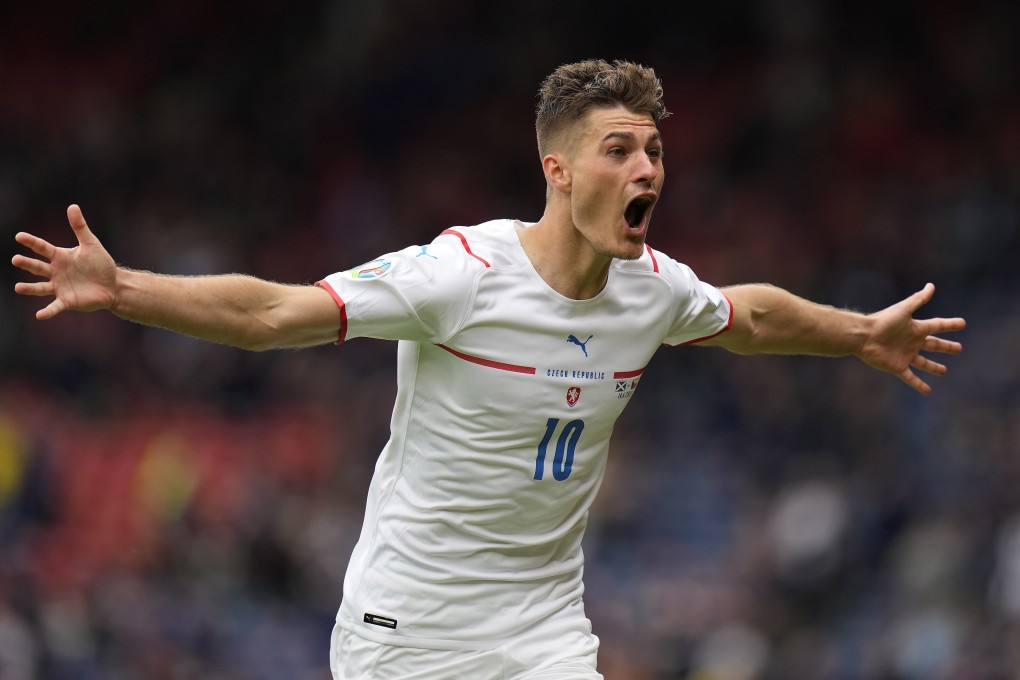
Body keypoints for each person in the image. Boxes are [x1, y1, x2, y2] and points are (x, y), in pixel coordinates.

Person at [12, 59, 965, 679]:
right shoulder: (460, 275)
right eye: (618, 150)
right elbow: (271, 314)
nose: (647, 172)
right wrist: (127, 286)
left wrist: (859, 334)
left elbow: (748, 315)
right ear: (556, 170)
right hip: (408, 635)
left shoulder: (653, 288)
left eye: (656, 151)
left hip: (541, 632)